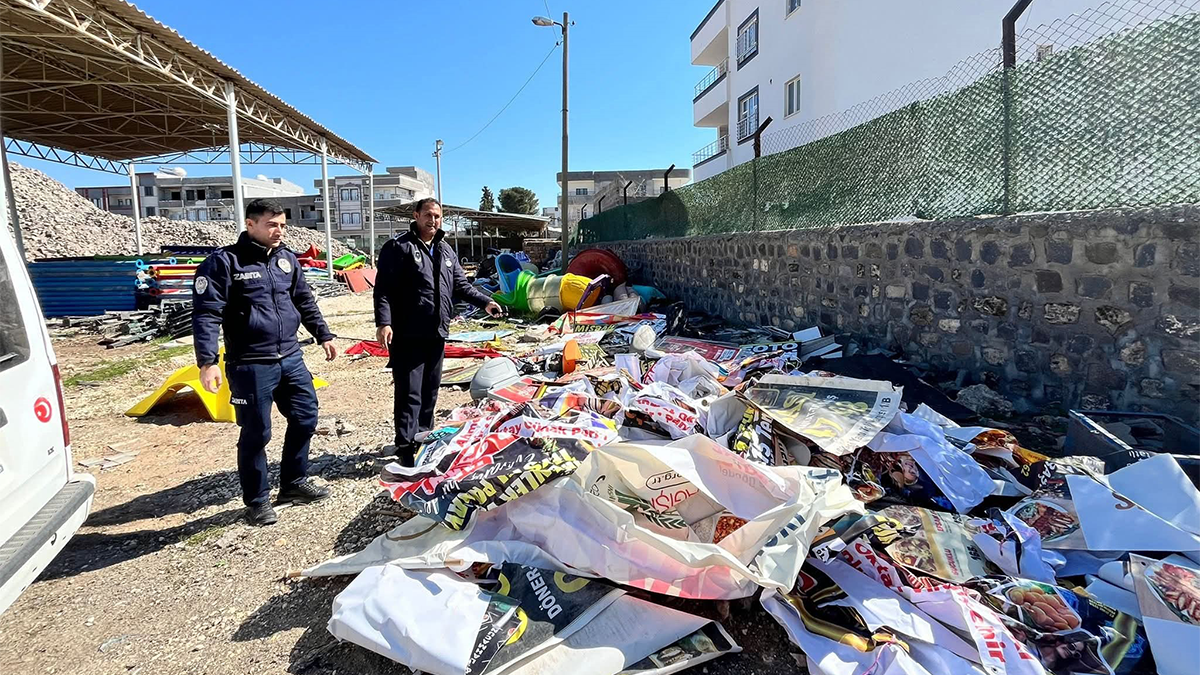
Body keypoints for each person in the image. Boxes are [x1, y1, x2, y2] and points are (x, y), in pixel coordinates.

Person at [192, 198, 339, 526]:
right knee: (257, 432)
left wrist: (323, 334)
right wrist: (207, 361)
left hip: (290, 357)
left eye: (282, 225)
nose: (279, 231)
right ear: (251, 225)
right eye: (272, 225)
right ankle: (257, 500)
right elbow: (206, 314)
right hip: (250, 363)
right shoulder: (225, 263)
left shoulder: (287, 260)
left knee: (305, 417)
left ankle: (293, 483)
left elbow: (304, 301)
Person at [375, 198, 502, 466]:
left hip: (437, 332)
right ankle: (405, 447)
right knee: (409, 392)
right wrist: (383, 322)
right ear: (416, 215)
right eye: (428, 215)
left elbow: (461, 286)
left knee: (430, 390)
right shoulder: (398, 247)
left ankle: (423, 439)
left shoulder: (445, 251)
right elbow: (383, 289)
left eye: (438, 216)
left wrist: (485, 302)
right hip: (408, 333)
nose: (433, 220)